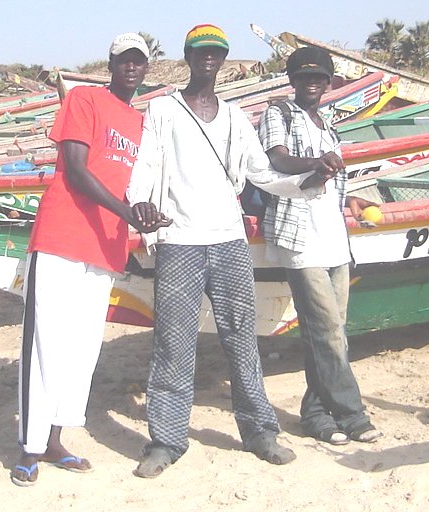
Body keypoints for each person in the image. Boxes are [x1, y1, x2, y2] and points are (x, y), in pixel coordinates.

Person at [127, 24, 320, 479]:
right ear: (188, 57)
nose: (208, 59)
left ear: (224, 58)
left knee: (241, 338)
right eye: (200, 52)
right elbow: (146, 162)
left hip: (229, 241)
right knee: (173, 343)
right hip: (179, 242)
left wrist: (309, 180)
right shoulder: (163, 110)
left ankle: (259, 433)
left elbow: (261, 172)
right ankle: (166, 440)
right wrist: (140, 203)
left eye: (215, 52)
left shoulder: (234, 117)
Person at [10, 33, 170, 487]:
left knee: (81, 349)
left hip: (106, 246)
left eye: (139, 61)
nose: (132, 68)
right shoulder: (85, 99)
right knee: (44, 341)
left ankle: (56, 440)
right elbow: (77, 170)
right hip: (63, 235)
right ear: (111, 64)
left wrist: (146, 212)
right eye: (124, 61)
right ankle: (29, 445)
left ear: (147, 67)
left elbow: (139, 185)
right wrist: (127, 212)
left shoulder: (141, 122)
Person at [256, 46, 383, 445]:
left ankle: (315, 413)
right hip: (300, 239)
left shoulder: (328, 126)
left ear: (328, 83)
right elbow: (276, 160)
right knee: (327, 328)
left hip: (333, 239)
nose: (312, 83)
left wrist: (351, 198)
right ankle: (352, 413)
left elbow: (333, 182)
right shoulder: (278, 113)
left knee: (330, 331)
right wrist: (316, 162)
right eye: (304, 77)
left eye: (319, 78)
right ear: (292, 81)